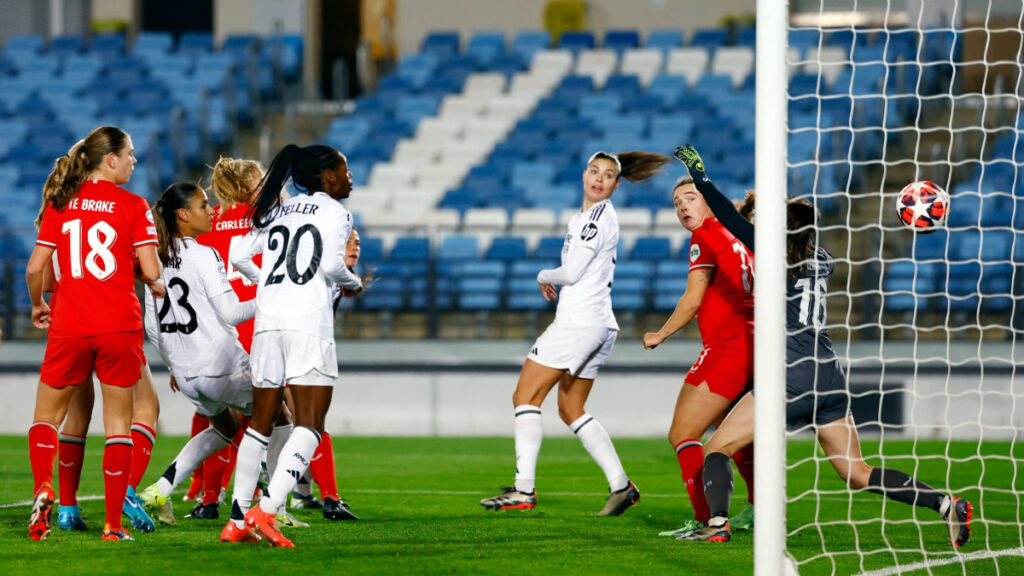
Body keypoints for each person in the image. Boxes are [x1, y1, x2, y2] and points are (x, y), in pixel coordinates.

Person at [671, 145, 973, 546]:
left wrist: (700, 176)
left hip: (790, 374)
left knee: (715, 449)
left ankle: (717, 524)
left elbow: (727, 217)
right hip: (829, 376)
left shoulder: (776, 256)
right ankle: (944, 504)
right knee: (856, 471)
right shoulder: (823, 258)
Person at [479, 151, 671, 515]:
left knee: (525, 395)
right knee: (570, 407)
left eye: (609, 175)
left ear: (616, 184)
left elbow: (571, 272)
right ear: (584, 175)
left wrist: (542, 275)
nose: (600, 179)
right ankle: (621, 485)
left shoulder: (596, 219)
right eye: (595, 172)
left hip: (579, 323)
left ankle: (523, 490)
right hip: (599, 323)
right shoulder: (585, 217)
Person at [26, 126, 163, 542]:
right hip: (118, 324)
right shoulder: (134, 205)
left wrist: (37, 305)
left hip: (71, 323)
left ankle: (48, 492)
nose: (134, 161)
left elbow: (36, 270)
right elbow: (152, 271)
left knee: (50, 417)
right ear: (111, 159)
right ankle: (113, 525)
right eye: (130, 155)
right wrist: (141, 271)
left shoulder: (61, 202)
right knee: (119, 422)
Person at [226, 144, 363, 547]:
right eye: (345, 168)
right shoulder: (337, 212)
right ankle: (265, 512)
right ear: (328, 177)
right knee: (310, 425)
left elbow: (238, 255)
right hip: (307, 323)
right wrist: (353, 285)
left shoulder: (276, 209)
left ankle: (236, 519)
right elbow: (333, 268)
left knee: (259, 424)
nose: (349, 175)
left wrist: (268, 278)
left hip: (268, 321)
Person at [136, 182, 258, 535]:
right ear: (183, 215)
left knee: (225, 428)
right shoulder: (204, 253)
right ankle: (263, 508)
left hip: (187, 375)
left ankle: (159, 491)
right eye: (203, 205)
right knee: (280, 413)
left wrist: (175, 365)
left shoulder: (154, 259)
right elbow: (232, 312)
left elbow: (153, 327)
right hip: (221, 364)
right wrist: (270, 295)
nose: (211, 209)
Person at [641, 168, 757, 538]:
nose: (682, 207)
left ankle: (708, 520)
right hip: (756, 347)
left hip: (727, 348)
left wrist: (661, 333)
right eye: (677, 203)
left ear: (709, 201)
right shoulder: (739, 235)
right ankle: (759, 509)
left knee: (684, 432)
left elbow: (692, 299)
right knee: (732, 435)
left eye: (690, 198)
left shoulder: (705, 234)